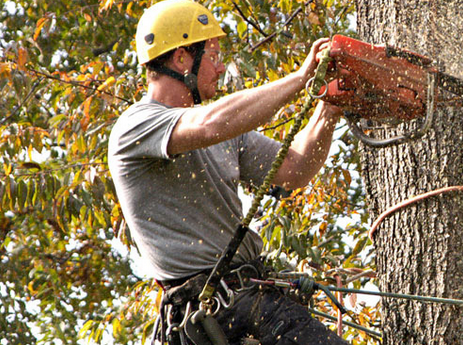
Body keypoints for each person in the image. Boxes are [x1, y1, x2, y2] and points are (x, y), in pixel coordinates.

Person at [108, 0, 346, 344]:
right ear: (181, 59)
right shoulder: (137, 126)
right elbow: (211, 123)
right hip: (211, 309)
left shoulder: (223, 132)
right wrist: (300, 78)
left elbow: (295, 169)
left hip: (247, 298)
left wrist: (328, 106)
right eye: (214, 56)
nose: (220, 69)